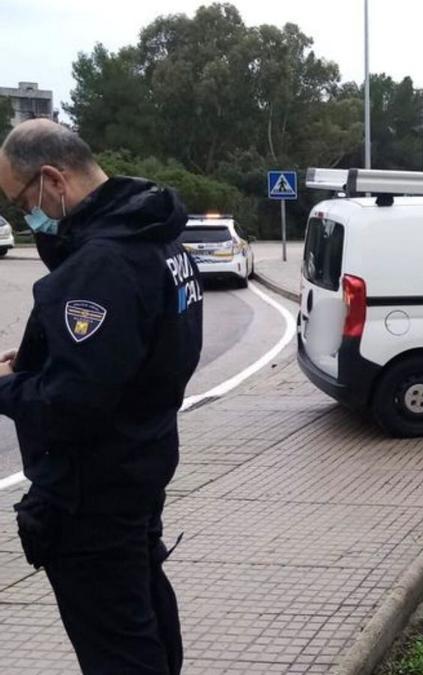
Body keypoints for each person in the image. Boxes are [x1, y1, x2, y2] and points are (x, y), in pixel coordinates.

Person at [0, 119, 203, 674]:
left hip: (92, 493)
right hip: (143, 462)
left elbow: (71, 404)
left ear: (51, 180)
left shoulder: (101, 264)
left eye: (22, 201)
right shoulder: (161, 237)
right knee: (144, 613)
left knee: (116, 646)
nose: (28, 217)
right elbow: (141, 353)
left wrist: (8, 388)